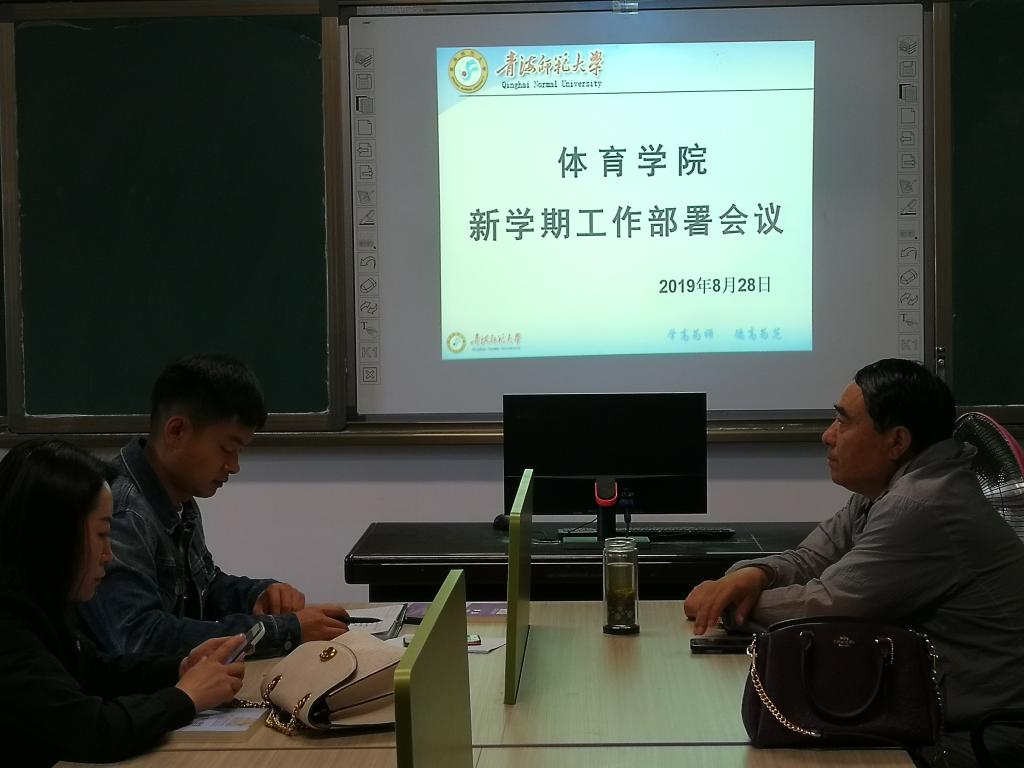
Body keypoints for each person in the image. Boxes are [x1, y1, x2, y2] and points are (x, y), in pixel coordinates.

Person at [684, 358, 1024, 767]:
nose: (828, 436)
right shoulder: (884, 490)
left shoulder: (921, 504)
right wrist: (754, 575)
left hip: (980, 739)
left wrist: (728, 603)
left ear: (896, 442)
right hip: (928, 713)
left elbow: (830, 605)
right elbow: (809, 558)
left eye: (843, 422)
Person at [80, 353, 350, 657]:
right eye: (227, 448)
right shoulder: (122, 511)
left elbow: (204, 588)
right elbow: (139, 639)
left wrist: (257, 595)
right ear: (176, 431)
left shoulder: (179, 499)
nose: (234, 466)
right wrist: (283, 630)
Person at [0, 439, 248, 767]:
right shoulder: (7, 625)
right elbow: (91, 731)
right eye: (103, 535)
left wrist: (180, 668)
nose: (109, 555)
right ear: (56, 537)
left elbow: (95, 670)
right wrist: (185, 697)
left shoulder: (41, 600)